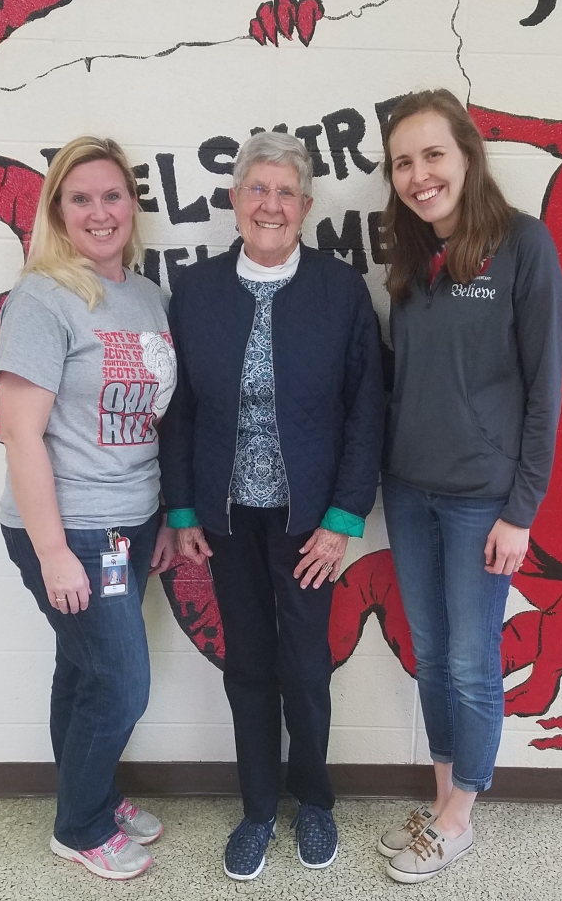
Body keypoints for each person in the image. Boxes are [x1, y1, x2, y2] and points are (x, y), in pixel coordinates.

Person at [159, 130, 384, 881]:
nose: (271, 204)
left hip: (308, 523)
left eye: (287, 192)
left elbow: (365, 409)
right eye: (258, 188)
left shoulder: (339, 289)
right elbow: (181, 409)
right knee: (248, 664)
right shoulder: (194, 292)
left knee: (307, 666)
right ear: (234, 199)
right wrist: (184, 510)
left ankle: (313, 798)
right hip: (225, 523)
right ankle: (257, 808)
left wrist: (346, 516)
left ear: (308, 207)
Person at [377, 89, 562, 883]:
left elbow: (545, 387)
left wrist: (520, 510)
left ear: (466, 154)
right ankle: (442, 796)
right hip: (410, 494)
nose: (420, 175)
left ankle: (461, 815)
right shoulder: (412, 257)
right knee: (429, 655)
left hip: (481, 502)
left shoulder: (525, 245)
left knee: (470, 659)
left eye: (432, 155)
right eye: (403, 163)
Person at [0, 136, 178, 881]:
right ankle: (80, 824)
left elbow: (150, 422)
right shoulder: (42, 296)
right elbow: (19, 431)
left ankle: (91, 789)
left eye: (112, 196)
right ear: (58, 211)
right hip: (68, 525)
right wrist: (52, 550)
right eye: (81, 199)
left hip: (131, 521)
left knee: (84, 669)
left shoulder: (147, 295)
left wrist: (161, 518)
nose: (99, 212)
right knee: (121, 681)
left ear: (132, 206)